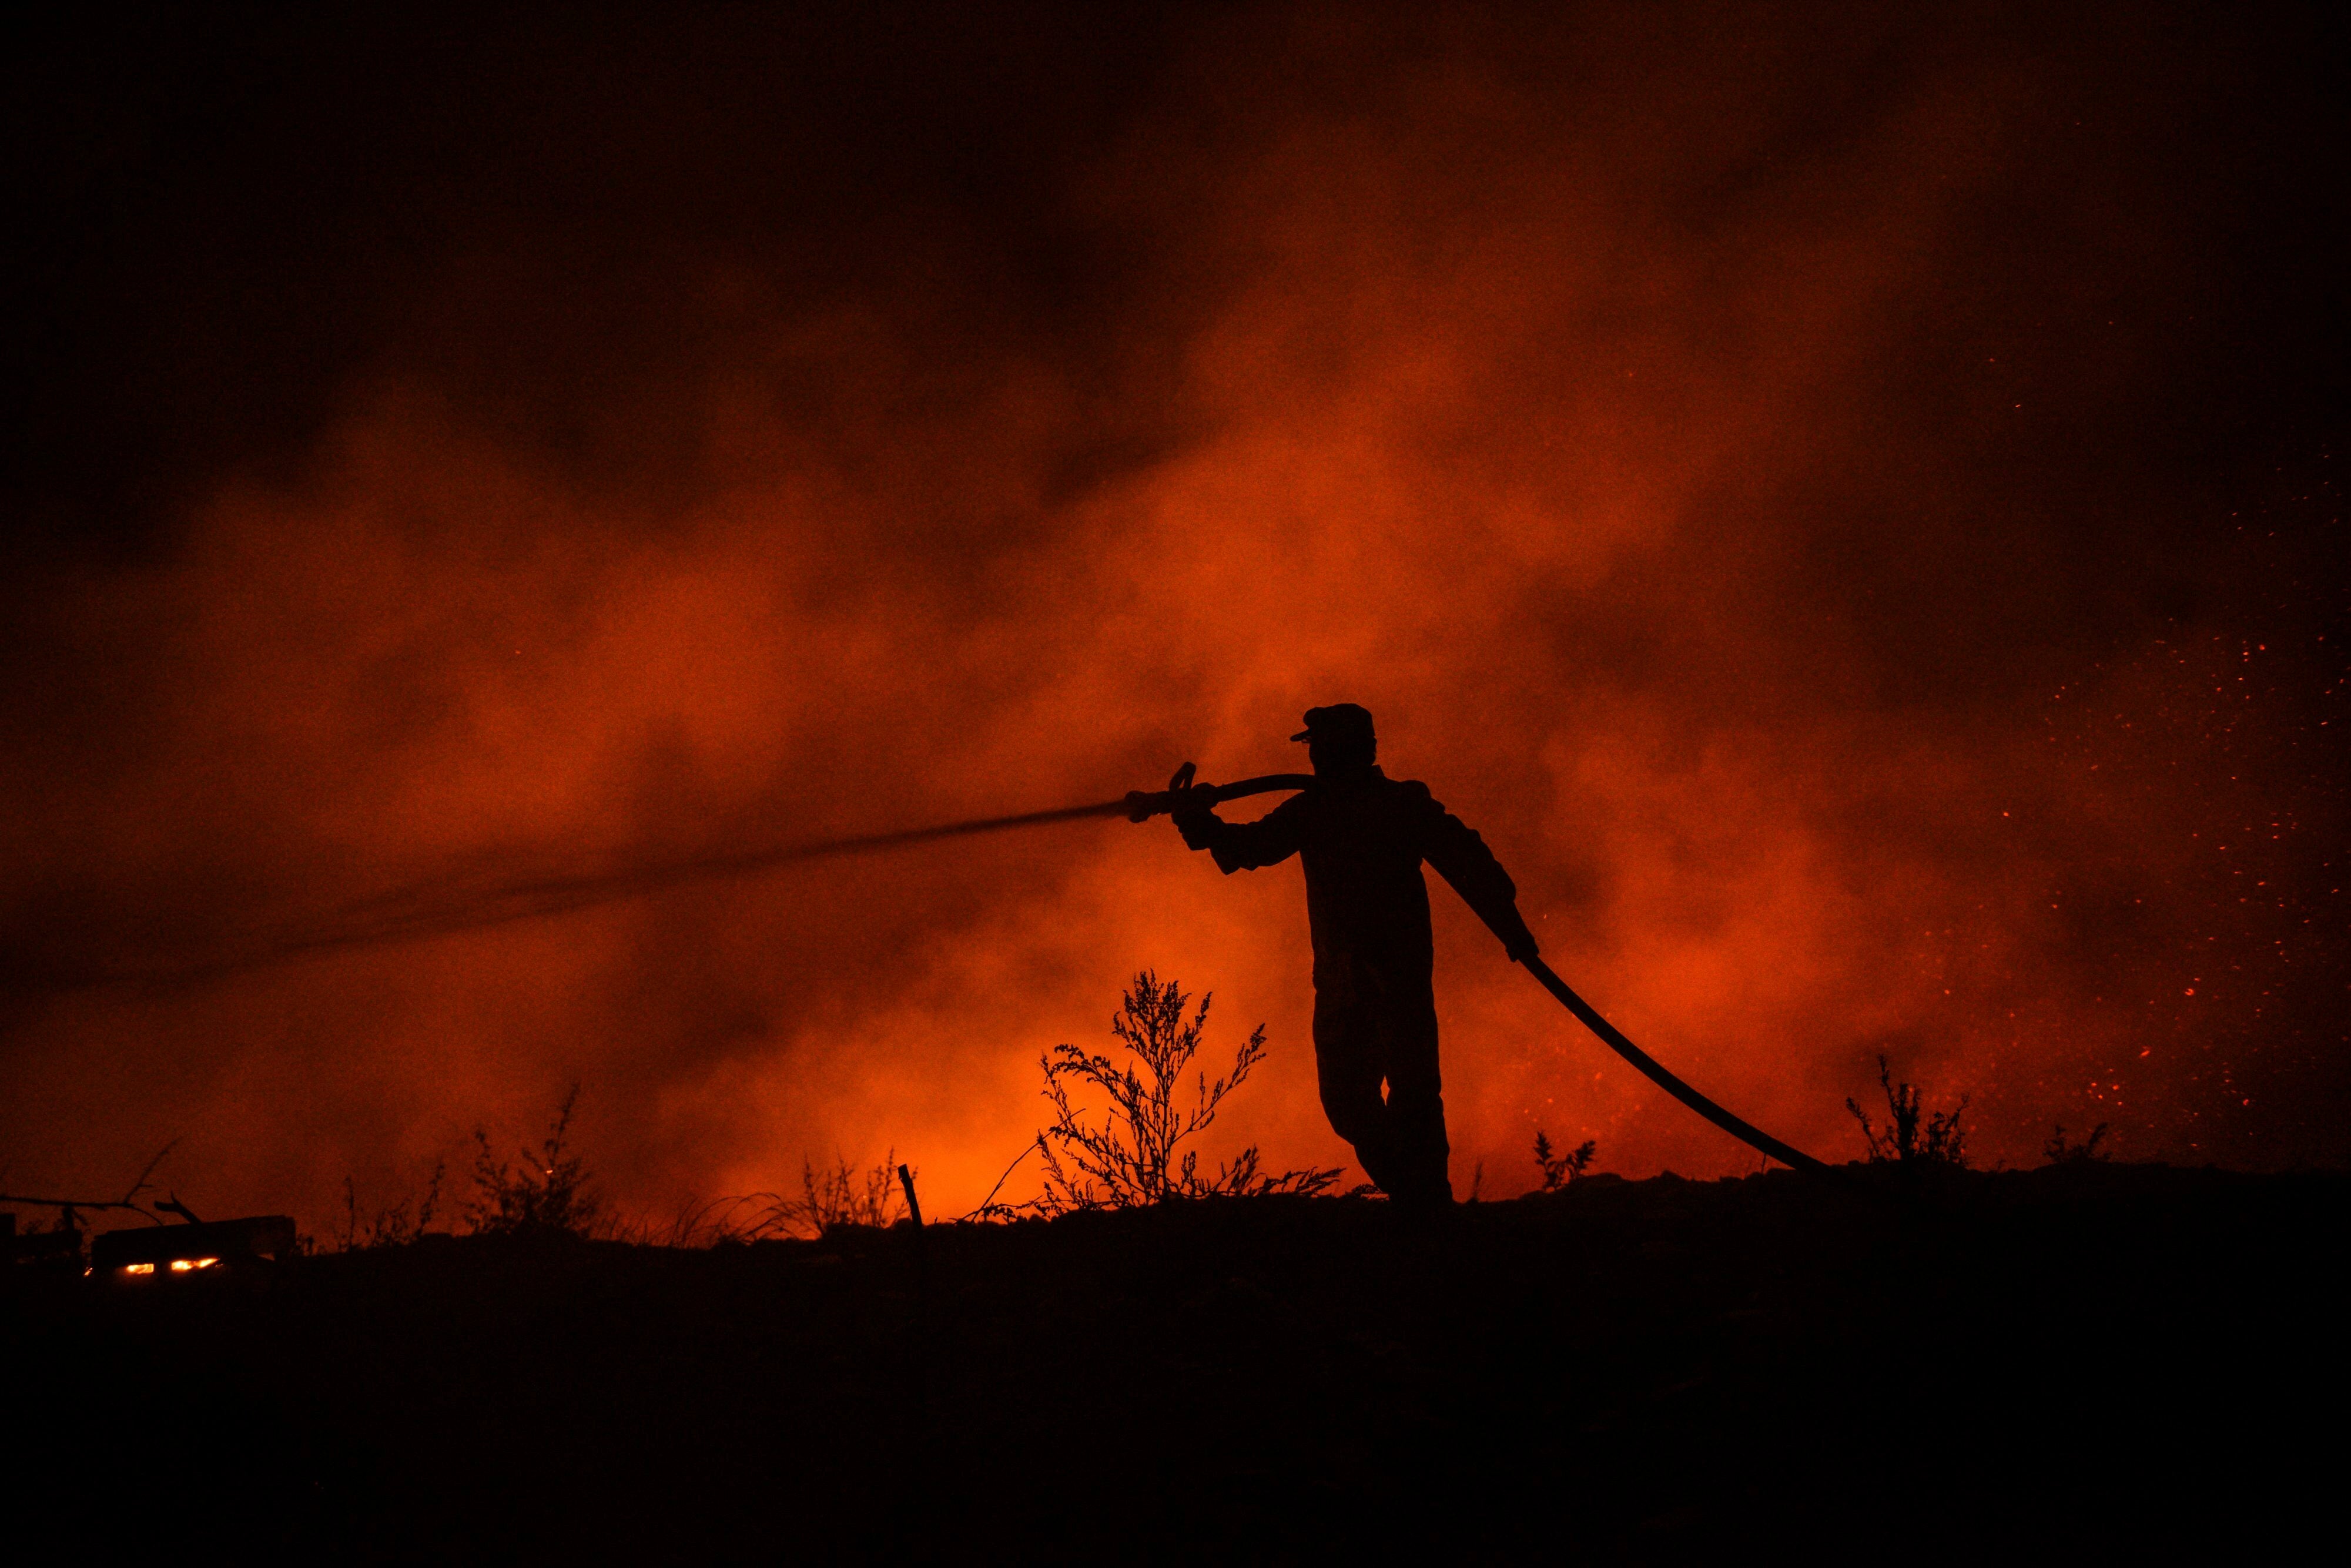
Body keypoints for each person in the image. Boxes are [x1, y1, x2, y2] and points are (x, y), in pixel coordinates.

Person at [1168, 704, 1539, 1205]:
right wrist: (1198, 821)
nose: (1316, 757)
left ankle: (1426, 1205)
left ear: (1349, 750)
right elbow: (1246, 849)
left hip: (1388, 979)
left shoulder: (1387, 805)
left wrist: (1511, 928)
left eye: (1321, 747)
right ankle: (1421, 1197)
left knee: (1407, 1097)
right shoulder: (1320, 809)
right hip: (1350, 982)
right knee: (1356, 1100)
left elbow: (1469, 862)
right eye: (1314, 748)